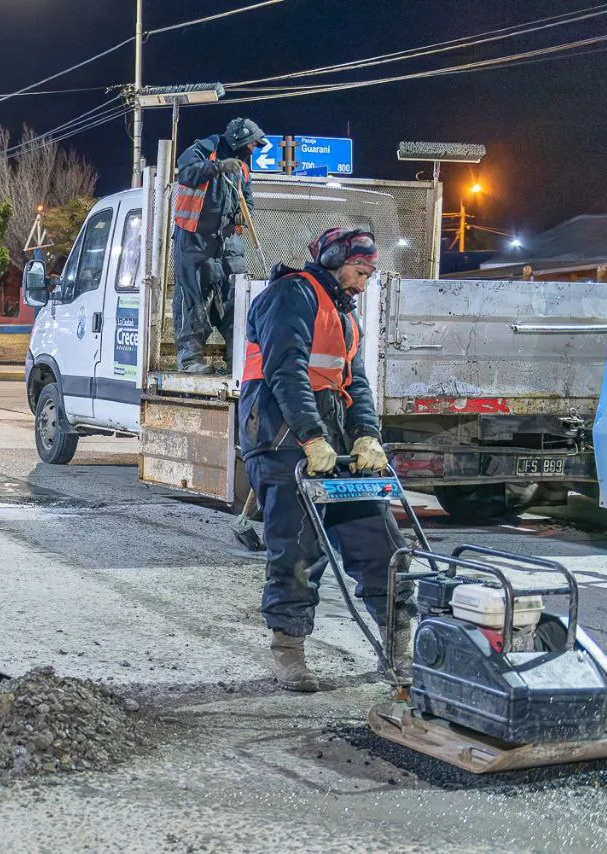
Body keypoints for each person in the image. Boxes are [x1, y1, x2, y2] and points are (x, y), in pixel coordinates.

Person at [238, 227, 414, 691]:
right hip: (281, 441)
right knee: (297, 550)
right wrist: (311, 437)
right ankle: (289, 652)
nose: (363, 283)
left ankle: (399, 648)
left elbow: (354, 382)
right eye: (360, 271)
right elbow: (285, 368)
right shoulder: (290, 295)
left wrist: (367, 436)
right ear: (335, 259)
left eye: (370, 275)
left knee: (382, 544)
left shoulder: (344, 314)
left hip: (332, 446)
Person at [172, 117, 268, 374]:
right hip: (194, 238)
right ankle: (189, 357)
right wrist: (217, 167)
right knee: (194, 297)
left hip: (226, 240)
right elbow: (187, 173)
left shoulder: (243, 168)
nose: (253, 151)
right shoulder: (202, 150)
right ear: (240, 141)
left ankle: (236, 357)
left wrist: (241, 216)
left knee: (236, 296)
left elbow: (247, 197)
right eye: (252, 145)